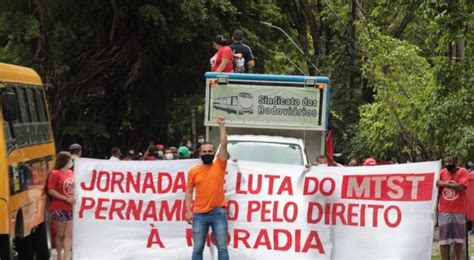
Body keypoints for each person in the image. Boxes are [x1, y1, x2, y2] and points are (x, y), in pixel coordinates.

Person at [185, 116, 229, 260]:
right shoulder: (193, 171)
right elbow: (189, 192)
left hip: (218, 213)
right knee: (198, 248)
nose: (207, 153)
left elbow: (224, 144)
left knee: (222, 248)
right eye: (204, 151)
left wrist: (222, 125)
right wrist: (188, 211)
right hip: (199, 215)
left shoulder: (220, 164)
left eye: (210, 151)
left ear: (214, 152)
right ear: (200, 153)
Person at [436, 155, 469, 260]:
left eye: (450, 162)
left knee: (458, 240)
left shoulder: (463, 172)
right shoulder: (441, 173)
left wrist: (444, 184)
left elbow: (461, 187)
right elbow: (437, 187)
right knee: (443, 241)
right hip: (444, 211)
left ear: (456, 161)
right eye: (446, 162)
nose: (447, 164)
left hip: (458, 211)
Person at [47, 152, 75, 260]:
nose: (71, 162)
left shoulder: (71, 173)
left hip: (71, 208)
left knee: (69, 234)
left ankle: (66, 256)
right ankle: (59, 256)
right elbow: (51, 190)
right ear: (65, 160)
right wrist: (66, 199)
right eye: (70, 160)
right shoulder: (55, 173)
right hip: (59, 208)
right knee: (60, 235)